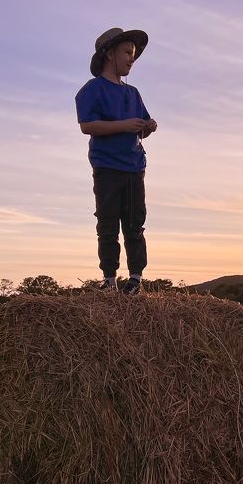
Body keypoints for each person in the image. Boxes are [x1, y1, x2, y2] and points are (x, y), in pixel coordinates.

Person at [75, 27, 157, 293]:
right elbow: (87, 126)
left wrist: (148, 126)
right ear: (110, 54)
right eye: (127, 52)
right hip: (107, 167)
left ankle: (135, 279)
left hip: (134, 167)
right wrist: (123, 125)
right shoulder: (92, 89)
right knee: (107, 224)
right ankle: (109, 280)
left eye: (133, 54)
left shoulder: (133, 93)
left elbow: (141, 126)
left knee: (135, 224)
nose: (132, 58)